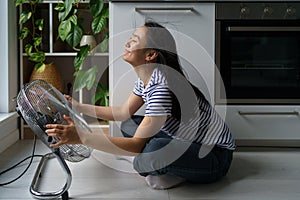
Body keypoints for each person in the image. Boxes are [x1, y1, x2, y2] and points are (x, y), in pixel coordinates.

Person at [46, 21, 236, 190]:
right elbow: (122, 112)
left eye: (134, 40)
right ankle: (160, 162)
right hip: (185, 141)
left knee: (145, 158)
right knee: (130, 124)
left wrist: (82, 137)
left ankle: (168, 170)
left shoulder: (162, 88)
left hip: (214, 157)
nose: (127, 43)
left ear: (150, 54)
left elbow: (137, 144)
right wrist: (78, 106)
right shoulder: (148, 77)